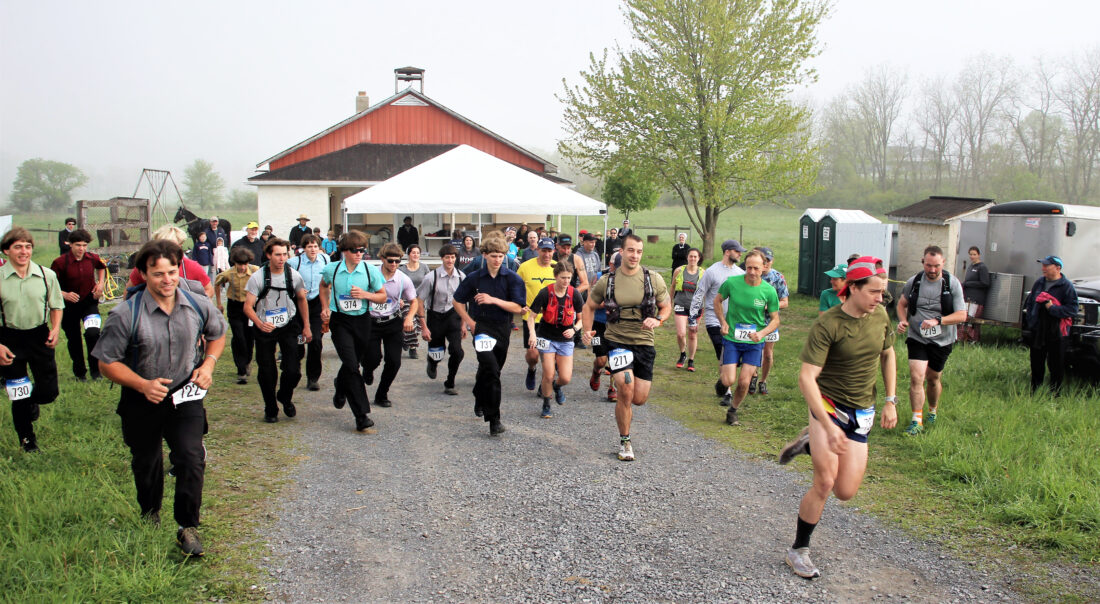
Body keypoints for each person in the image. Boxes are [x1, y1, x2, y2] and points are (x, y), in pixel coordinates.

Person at [93, 238, 226, 556]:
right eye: (158, 274)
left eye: (171, 272)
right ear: (143, 275)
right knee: (147, 462)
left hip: (185, 394)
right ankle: (149, 511)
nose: (167, 280)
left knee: (191, 458)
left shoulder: (196, 303)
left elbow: (217, 333)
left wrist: (208, 364)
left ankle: (187, 527)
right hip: (142, 399)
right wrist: (141, 384)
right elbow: (106, 362)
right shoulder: (125, 314)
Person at [777, 256, 897, 579]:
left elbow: (888, 354)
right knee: (825, 482)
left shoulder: (881, 316)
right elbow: (806, 378)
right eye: (874, 292)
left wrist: (890, 400)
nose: (879, 298)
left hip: (862, 411)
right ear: (853, 288)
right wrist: (827, 426)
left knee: (845, 491)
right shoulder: (828, 324)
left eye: (883, 293)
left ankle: (808, 444)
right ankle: (798, 550)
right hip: (827, 406)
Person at [582, 234, 672, 461]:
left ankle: (625, 408)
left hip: (644, 342)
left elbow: (666, 306)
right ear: (621, 252)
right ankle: (625, 442)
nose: (635, 255)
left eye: (639, 251)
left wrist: (658, 320)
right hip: (617, 340)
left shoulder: (653, 279)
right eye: (631, 250)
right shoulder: (608, 280)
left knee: (639, 398)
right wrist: (587, 330)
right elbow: (589, 306)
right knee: (625, 388)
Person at [452, 236, 525, 436]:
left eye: (501, 256)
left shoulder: (512, 278)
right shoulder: (475, 278)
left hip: (502, 327)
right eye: (493, 256)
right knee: (491, 370)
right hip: (482, 328)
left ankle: (478, 393)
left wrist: (493, 300)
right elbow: (457, 301)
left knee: (493, 370)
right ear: (484, 255)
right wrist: (469, 321)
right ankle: (494, 420)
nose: (497, 259)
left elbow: (518, 308)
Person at [0, 227, 64, 452]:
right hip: (9, 338)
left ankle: (31, 400)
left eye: (27, 247)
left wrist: (55, 329)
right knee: (19, 393)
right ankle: (27, 440)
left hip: (39, 336)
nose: (24, 251)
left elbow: (57, 305)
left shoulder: (47, 275)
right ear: (6, 250)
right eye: (17, 247)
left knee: (48, 392)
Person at [895, 246, 967, 435]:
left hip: (943, 339)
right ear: (923, 262)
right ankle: (916, 421)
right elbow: (902, 304)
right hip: (917, 337)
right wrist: (903, 320)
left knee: (933, 378)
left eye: (936, 266)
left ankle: (932, 410)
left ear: (943, 263)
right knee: (916, 376)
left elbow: (962, 315)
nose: (932, 270)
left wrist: (939, 320)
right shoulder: (915, 281)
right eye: (928, 265)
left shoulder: (952, 284)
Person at [319, 231, 387, 432]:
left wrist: (366, 294)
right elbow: (324, 286)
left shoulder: (370, 271)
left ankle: (340, 386)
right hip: (340, 321)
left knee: (353, 363)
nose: (359, 254)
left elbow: (382, 297)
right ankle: (361, 415)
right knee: (351, 365)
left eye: (362, 250)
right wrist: (324, 306)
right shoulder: (332, 269)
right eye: (355, 250)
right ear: (345, 251)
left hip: (362, 320)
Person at [243, 238, 311, 423]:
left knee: (294, 369)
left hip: (288, 324)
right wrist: (259, 323)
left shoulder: (294, 276)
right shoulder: (258, 277)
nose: (282, 258)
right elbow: (248, 307)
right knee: (267, 370)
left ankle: (285, 396)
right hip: (264, 325)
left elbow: (301, 299)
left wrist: (306, 326)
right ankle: (270, 406)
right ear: (268, 255)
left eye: (284, 254)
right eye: (277, 254)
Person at [713, 250, 780, 426]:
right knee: (729, 380)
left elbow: (775, 319)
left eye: (756, 268)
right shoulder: (732, 283)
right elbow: (717, 301)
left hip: (753, 343)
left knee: (744, 383)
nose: (751, 272)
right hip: (733, 339)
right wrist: (723, 322)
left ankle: (733, 411)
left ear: (764, 267)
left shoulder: (769, 291)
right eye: (748, 267)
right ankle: (722, 383)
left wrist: (762, 333)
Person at [689, 239, 747, 406]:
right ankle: (728, 392)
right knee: (724, 351)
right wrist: (693, 317)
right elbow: (700, 293)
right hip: (714, 320)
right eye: (737, 251)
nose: (740, 254)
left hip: (734, 321)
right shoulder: (712, 271)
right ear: (727, 252)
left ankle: (722, 383)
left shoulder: (739, 273)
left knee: (730, 357)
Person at [362, 243, 419, 407]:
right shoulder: (371, 275)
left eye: (397, 261)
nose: (394, 264)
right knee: (373, 358)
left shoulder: (403, 279)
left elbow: (414, 301)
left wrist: (409, 318)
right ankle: (368, 369)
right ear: (382, 259)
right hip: (371, 322)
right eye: (390, 261)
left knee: (394, 361)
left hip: (392, 321)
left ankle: (382, 394)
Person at [526, 262, 584, 418]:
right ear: (555, 277)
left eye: (569, 278)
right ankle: (546, 403)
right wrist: (532, 334)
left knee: (565, 377)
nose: (566, 281)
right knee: (549, 374)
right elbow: (531, 317)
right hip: (546, 337)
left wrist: (574, 329)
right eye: (562, 278)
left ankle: (557, 388)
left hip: (565, 339)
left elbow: (581, 319)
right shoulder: (545, 293)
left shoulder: (574, 294)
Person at [50, 228, 106, 381]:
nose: (81, 249)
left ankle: (96, 372)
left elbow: (102, 268)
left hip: (89, 303)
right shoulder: (59, 263)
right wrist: (64, 294)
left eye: (84, 245)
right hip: (69, 307)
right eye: (78, 245)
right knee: (74, 339)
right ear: (70, 245)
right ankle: (80, 373)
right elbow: (50, 285)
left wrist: (100, 284)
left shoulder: (92, 258)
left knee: (93, 333)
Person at [1023, 255, 1078, 396]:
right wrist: (1031, 320)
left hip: (1057, 333)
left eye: (1047, 266)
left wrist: (1052, 309)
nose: (1043, 268)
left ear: (1058, 268)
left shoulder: (1067, 286)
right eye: (1043, 265)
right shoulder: (1039, 283)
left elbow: (1072, 310)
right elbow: (1030, 303)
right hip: (1038, 330)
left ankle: (1055, 395)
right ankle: (1034, 393)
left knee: (1056, 365)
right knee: (1036, 364)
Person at [417, 244, 466, 396]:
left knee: (457, 351)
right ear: (442, 259)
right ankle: (432, 361)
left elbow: (464, 301)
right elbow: (419, 301)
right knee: (438, 352)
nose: (450, 260)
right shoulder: (431, 277)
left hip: (453, 316)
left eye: (452, 257)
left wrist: (464, 324)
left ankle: (450, 382)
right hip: (435, 316)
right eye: (447, 257)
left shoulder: (461, 276)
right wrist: (423, 326)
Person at [517, 237, 558, 392]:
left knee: (549, 356)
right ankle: (532, 369)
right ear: (538, 250)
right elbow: (516, 287)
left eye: (549, 251)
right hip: (531, 318)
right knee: (533, 354)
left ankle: (545, 384)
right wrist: (520, 304)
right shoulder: (525, 267)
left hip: (551, 319)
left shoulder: (557, 268)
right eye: (543, 251)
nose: (546, 254)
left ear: (553, 251)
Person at [128, 225, 214, 298]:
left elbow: (209, 289)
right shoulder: (146, 267)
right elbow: (128, 293)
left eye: (173, 246)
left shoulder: (191, 266)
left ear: (180, 246)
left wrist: (194, 304)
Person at [289, 234, 329, 390]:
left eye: (315, 246)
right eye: (309, 246)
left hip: (316, 304)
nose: (313, 249)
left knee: (316, 341)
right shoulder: (294, 262)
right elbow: (286, 281)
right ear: (303, 248)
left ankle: (313, 377)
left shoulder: (325, 260)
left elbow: (327, 284)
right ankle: (294, 367)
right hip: (298, 304)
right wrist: (296, 291)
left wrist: (327, 306)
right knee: (299, 340)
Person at [214, 247, 257, 384]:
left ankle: (247, 360)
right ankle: (241, 369)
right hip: (235, 307)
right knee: (239, 337)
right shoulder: (229, 274)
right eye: (240, 264)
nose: (243, 267)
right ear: (235, 263)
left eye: (245, 264)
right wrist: (219, 303)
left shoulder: (255, 271)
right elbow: (217, 283)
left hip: (250, 307)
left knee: (249, 336)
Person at [750, 247, 790, 395]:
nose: (766, 263)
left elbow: (785, 302)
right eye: (764, 260)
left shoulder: (778, 278)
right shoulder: (751, 276)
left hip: (770, 322)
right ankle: (753, 376)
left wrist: (771, 306)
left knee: (767, 354)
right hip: (752, 320)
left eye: (769, 260)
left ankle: (763, 381)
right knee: (754, 350)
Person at [587, 255, 618, 402]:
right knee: (601, 360)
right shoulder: (599, 277)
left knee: (615, 357)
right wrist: (610, 303)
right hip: (597, 324)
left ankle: (613, 387)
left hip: (617, 325)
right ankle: (596, 371)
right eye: (616, 265)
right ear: (611, 265)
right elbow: (590, 302)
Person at [671, 247, 703, 371]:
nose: (693, 258)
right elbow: (673, 286)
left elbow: (706, 292)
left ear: (699, 258)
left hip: (696, 308)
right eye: (691, 256)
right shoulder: (679, 270)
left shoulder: (703, 273)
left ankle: (691, 360)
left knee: (693, 334)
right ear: (687, 257)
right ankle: (683, 353)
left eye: (695, 256)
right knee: (680, 334)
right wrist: (669, 301)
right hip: (680, 303)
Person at [398, 243, 429, 359]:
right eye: (413, 252)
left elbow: (428, 283)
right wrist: (399, 299)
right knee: (411, 322)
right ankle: (413, 348)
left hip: (420, 300)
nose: (416, 255)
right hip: (406, 299)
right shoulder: (402, 269)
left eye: (418, 253)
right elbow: (398, 285)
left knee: (419, 325)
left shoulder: (424, 267)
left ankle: (405, 339)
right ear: (408, 254)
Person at [959, 246, 991, 344]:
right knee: (964, 319)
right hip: (968, 298)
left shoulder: (982, 267)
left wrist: (968, 284)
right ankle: (962, 338)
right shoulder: (971, 266)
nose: (972, 256)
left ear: (979, 255)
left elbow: (985, 283)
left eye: (974, 254)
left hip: (977, 300)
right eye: (971, 254)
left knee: (973, 321)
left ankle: (973, 339)